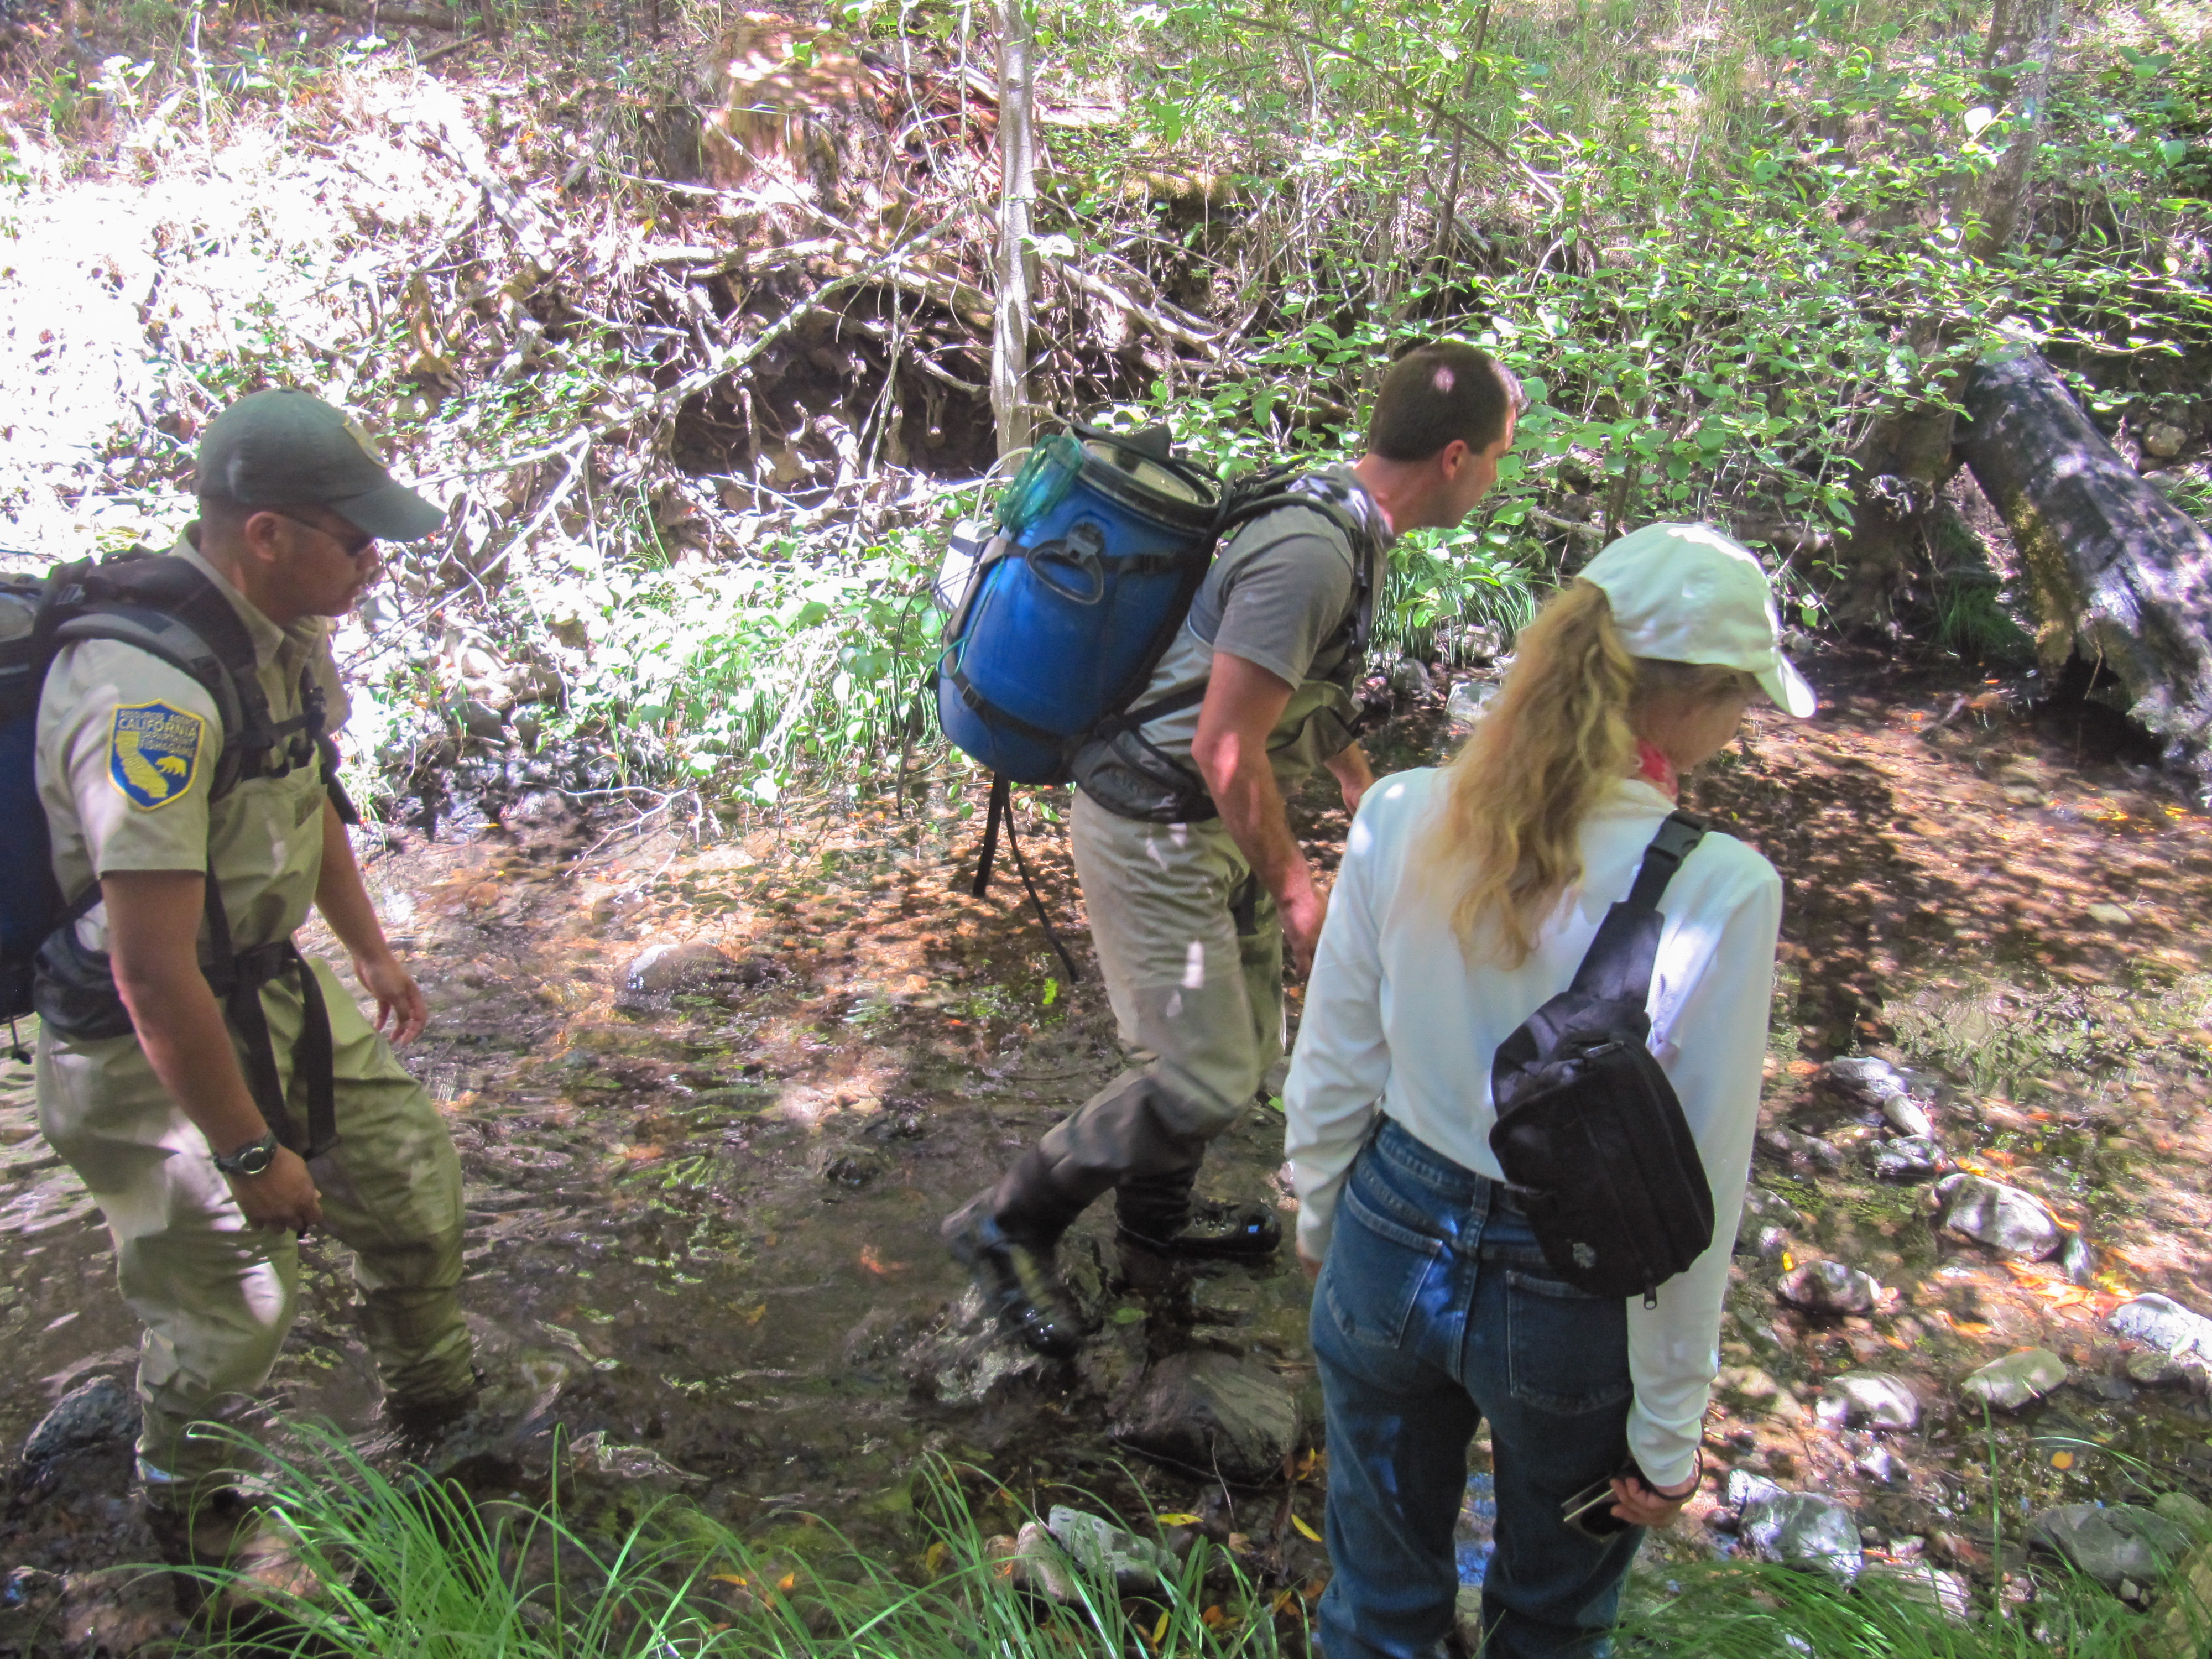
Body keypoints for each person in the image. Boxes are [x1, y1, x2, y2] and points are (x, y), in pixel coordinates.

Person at [1284, 523, 1815, 1658]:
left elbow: (1332, 1060)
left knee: (1372, 1609)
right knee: (1552, 1623)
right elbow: (1693, 1193)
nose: (1742, 728)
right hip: (1571, 1299)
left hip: (1387, 1233)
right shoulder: (1720, 885)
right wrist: (1669, 1429)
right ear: (1687, 703)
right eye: (1743, 702)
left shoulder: (1401, 812)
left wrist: (1322, 1224)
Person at [942, 342, 1524, 1358]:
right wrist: (1302, 900)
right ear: (1457, 455)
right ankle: (1007, 1222)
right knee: (1204, 1077)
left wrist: (1359, 780)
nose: (1498, 477)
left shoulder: (1346, 521)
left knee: (1248, 1054)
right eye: (1502, 458)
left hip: (1208, 826)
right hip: (1154, 826)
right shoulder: (1313, 551)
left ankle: (1155, 1226)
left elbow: (1285, 689)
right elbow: (1222, 746)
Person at [33, 389, 476, 1563]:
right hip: (147, 1034)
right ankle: (195, 1517)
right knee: (234, 1304)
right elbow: (147, 966)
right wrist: (244, 1150)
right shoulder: (148, 702)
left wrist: (369, 944)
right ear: (265, 533)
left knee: (408, 1179)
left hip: (268, 987)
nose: (375, 562)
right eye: (355, 537)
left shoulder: (282, 637)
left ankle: (442, 1416)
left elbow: (302, 785)